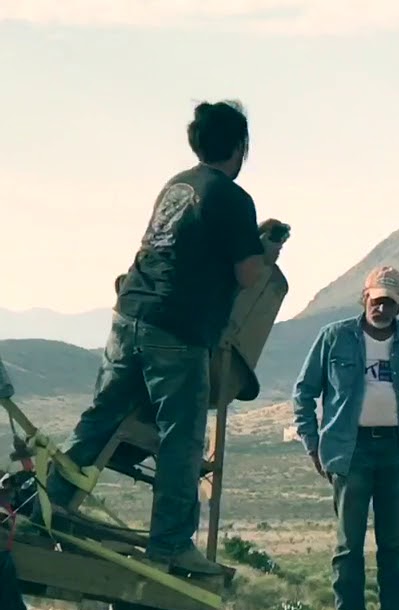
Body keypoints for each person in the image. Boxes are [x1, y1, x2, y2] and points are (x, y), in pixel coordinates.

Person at [43, 100, 285, 576]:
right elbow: (248, 274)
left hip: (128, 313)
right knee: (182, 438)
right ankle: (171, 544)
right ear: (241, 147)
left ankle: (45, 508)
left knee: (100, 420)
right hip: (177, 329)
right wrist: (265, 249)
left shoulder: (177, 185)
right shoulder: (234, 198)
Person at [292, 265, 399, 610]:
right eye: (376, 300)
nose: (382, 308)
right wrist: (313, 443)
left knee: (393, 548)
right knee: (348, 545)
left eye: (389, 302)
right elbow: (304, 392)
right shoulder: (335, 338)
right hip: (350, 449)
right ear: (364, 298)